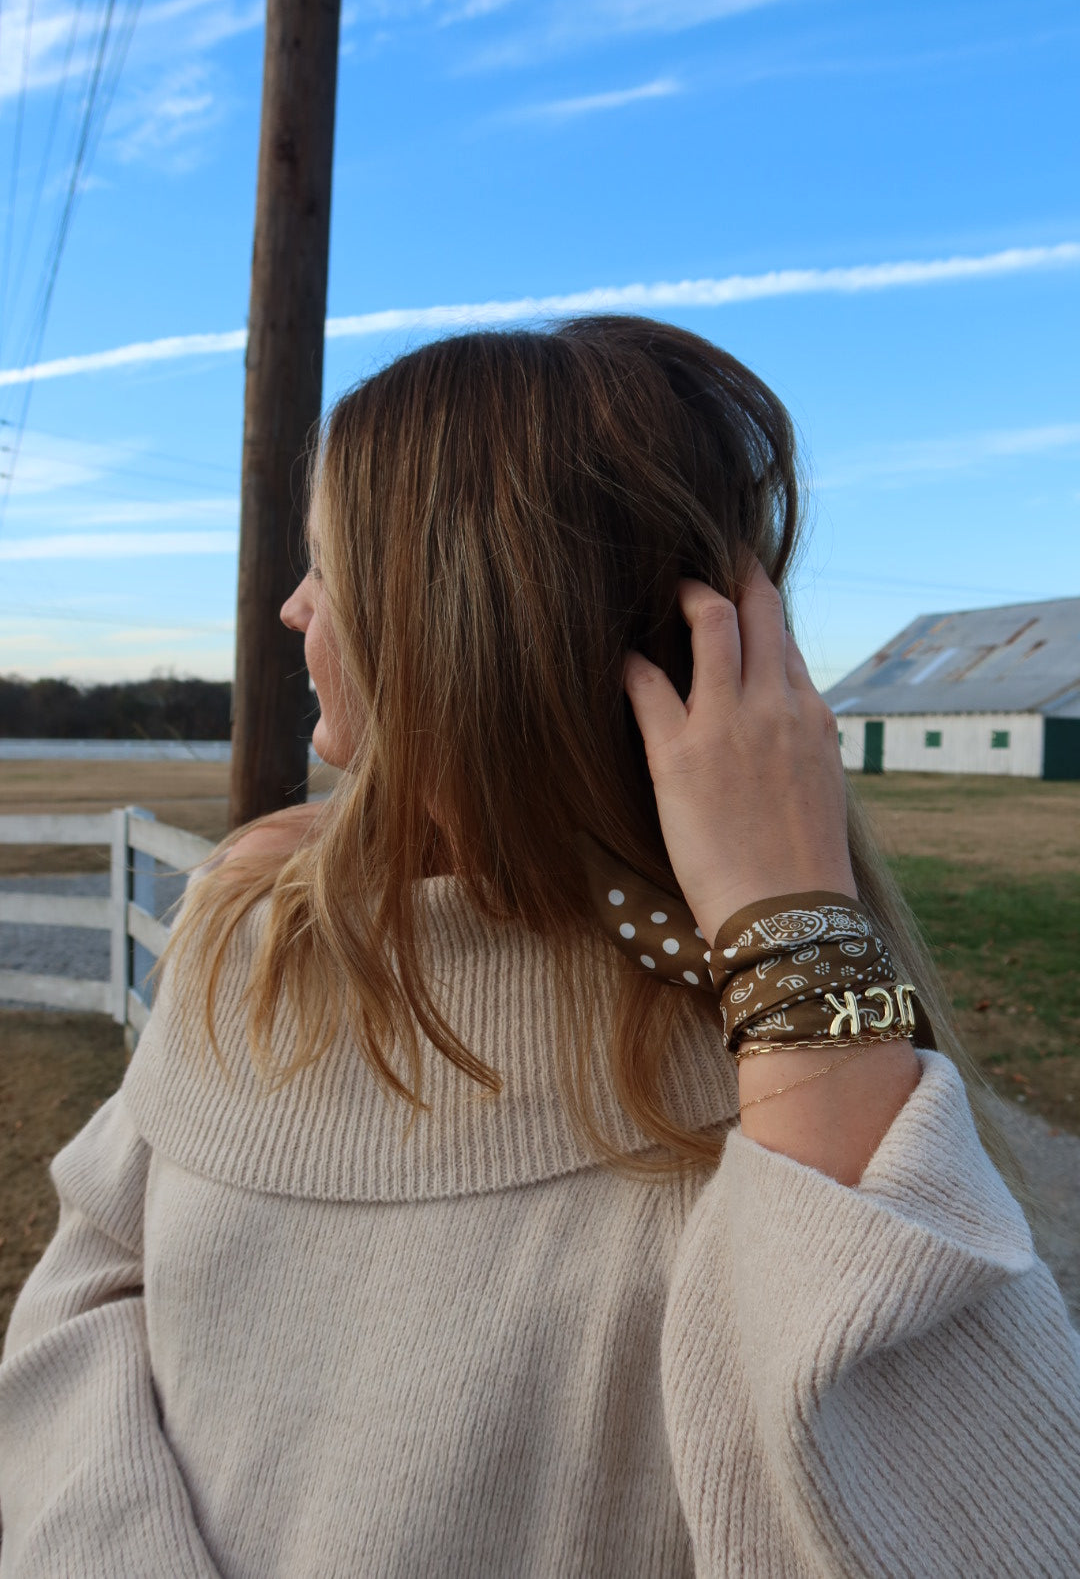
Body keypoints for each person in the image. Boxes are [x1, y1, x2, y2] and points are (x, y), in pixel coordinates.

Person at [1, 317, 1077, 1577]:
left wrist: (802, 945)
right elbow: (84, 1293)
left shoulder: (783, 1080)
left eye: (327, 566)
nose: (293, 605)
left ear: (455, 629)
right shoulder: (257, 933)